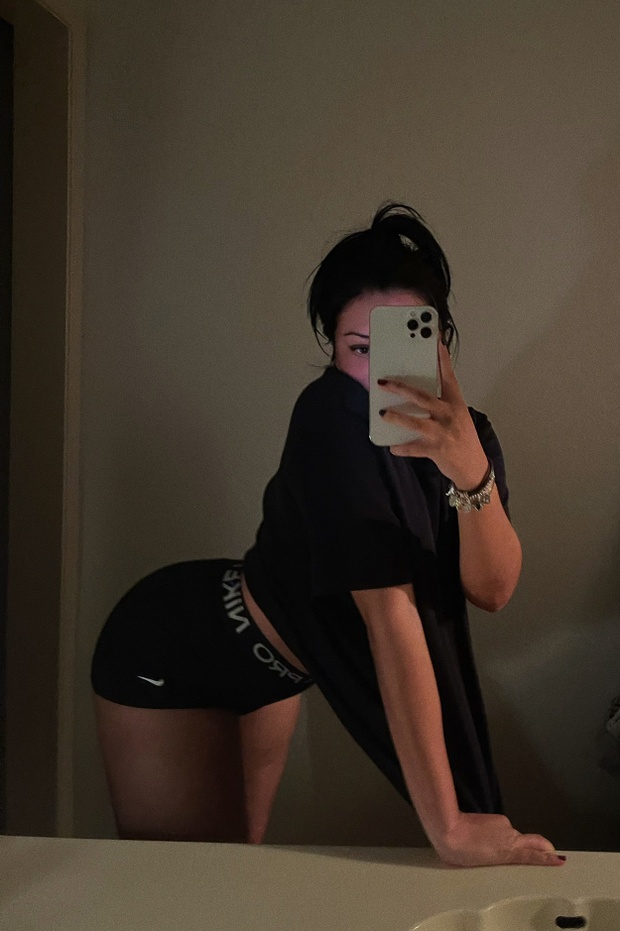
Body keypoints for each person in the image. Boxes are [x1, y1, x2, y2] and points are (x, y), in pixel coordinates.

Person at [91, 203, 565, 868]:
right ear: (331, 348)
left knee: (237, 875)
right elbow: (389, 615)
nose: (376, 375)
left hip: (275, 671)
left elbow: (493, 588)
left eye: (400, 344)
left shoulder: (470, 435)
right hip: (177, 644)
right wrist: (451, 828)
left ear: (439, 340)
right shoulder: (329, 419)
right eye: (358, 349)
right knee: (184, 885)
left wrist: (469, 469)